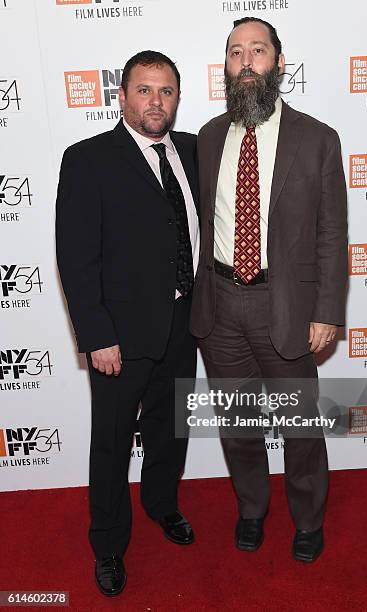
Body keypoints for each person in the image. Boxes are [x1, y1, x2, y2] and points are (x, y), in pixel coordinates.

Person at [191, 17, 348, 562]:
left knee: (300, 426)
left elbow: (332, 232)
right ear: (227, 68)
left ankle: (308, 520)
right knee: (237, 425)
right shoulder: (209, 138)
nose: (247, 61)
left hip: (285, 305)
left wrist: (327, 309)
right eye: (236, 52)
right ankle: (251, 509)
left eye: (258, 50)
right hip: (219, 304)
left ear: (279, 63)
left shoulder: (318, 138)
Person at [56, 50, 199, 596]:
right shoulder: (88, 158)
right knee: (114, 443)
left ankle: (163, 505)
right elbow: (76, 256)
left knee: (169, 429)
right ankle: (109, 544)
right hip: (120, 336)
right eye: (144, 90)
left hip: (186, 323)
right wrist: (97, 336)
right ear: (121, 96)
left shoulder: (190, 150)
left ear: (176, 98)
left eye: (165, 91)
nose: (155, 101)